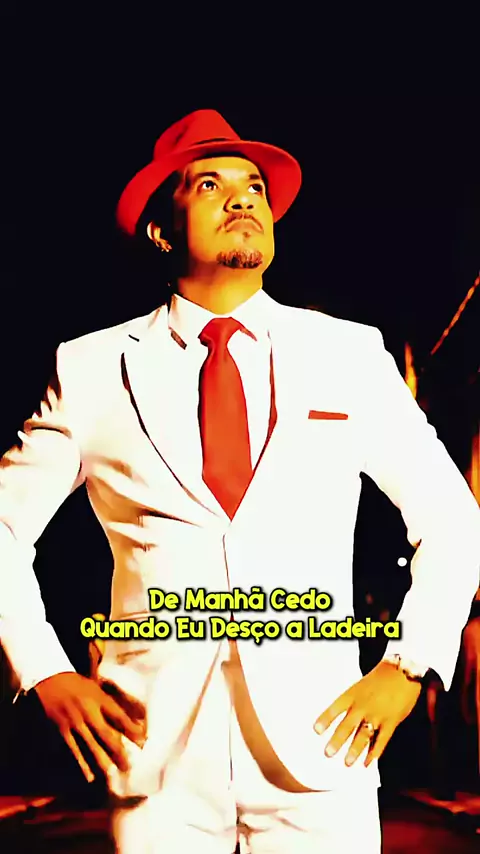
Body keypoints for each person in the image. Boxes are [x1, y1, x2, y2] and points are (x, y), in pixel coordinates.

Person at [0, 108, 479, 853]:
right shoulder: (91, 368)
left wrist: (410, 664)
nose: (242, 199)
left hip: (323, 745)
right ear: (162, 230)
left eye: (254, 186)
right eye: (209, 185)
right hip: (153, 754)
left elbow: (451, 515)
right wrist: (44, 671)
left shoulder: (347, 354)